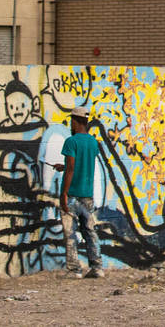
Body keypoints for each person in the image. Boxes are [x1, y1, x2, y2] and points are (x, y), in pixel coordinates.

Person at [55, 106, 104, 279]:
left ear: (75, 122)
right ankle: (97, 267)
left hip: (73, 194)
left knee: (70, 233)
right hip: (87, 195)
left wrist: (64, 194)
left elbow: (71, 168)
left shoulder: (71, 141)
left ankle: (75, 269)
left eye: (71, 121)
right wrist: (64, 167)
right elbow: (82, 164)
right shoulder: (93, 142)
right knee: (89, 231)